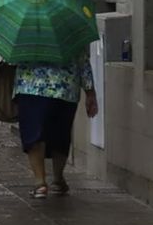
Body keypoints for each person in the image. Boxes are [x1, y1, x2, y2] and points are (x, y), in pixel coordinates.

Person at [14, 57, 98, 198]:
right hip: (65, 86)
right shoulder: (70, 34)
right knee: (61, 134)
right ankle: (58, 178)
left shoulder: (25, 35)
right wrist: (90, 91)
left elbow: (12, 58)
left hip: (30, 85)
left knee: (33, 133)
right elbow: (82, 59)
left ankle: (40, 183)